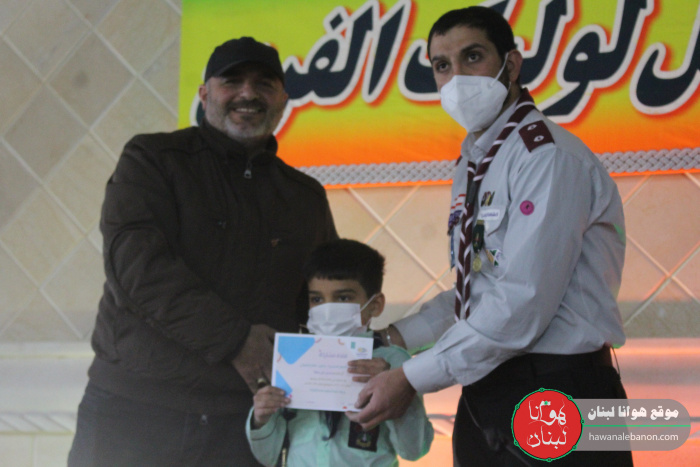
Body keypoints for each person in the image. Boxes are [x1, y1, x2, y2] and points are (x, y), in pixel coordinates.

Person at [348, 7, 633, 466]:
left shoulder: (547, 157)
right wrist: (388, 338)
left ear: (511, 65)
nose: (457, 77)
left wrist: (410, 377)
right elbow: (477, 292)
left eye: (473, 56)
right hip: (490, 391)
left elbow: (521, 302)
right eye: (442, 65)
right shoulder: (474, 162)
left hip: (562, 387)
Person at [68, 37, 337, 467]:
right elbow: (137, 269)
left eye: (264, 84)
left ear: (283, 100)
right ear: (204, 94)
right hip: (134, 414)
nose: (248, 93)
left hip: (246, 426)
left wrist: (366, 366)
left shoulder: (305, 197)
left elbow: (325, 300)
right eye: (232, 81)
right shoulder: (152, 160)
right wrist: (237, 340)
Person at [246, 239, 434, 466]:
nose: (327, 310)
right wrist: (261, 419)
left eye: (343, 298)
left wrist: (395, 395)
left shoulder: (394, 362)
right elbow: (267, 456)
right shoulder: (292, 360)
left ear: (374, 305)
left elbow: (414, 450)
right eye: (317, 299)